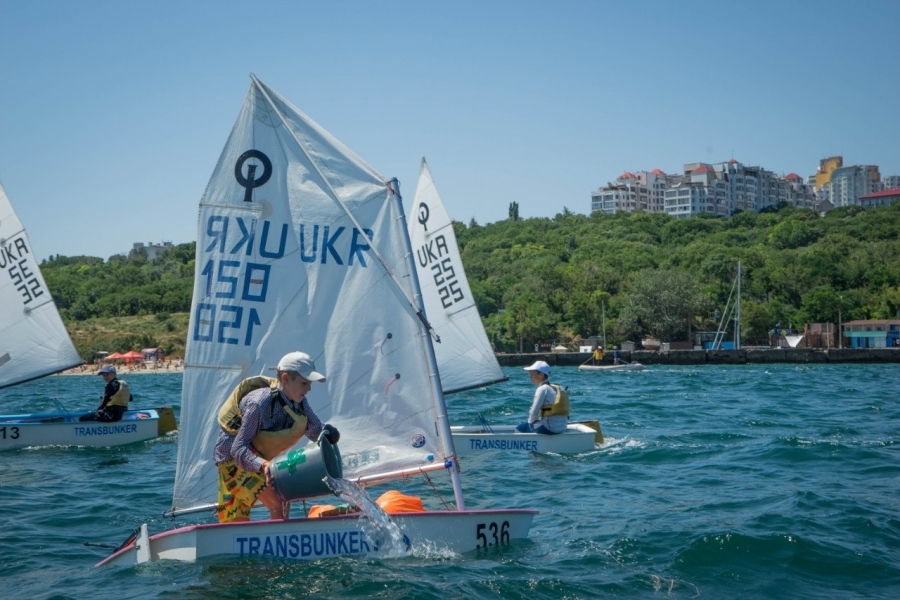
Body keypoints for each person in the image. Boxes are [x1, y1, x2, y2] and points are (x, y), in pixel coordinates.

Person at [213, 351, 340, 523]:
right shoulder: (259, 403)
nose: (309, 389)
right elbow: (238, 448)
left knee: (245, 517)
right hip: (232, 460)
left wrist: (329, 432)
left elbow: (314, 430)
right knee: (277, 501)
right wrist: (264, 465)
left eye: (309, 384)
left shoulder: (299, 402)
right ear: (286, 378)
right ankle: (278, 544)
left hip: (259, 461)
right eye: (304, 383)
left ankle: (275, 538)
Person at [515, 360, 569, 435]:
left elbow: (534, 412)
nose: (530, 377)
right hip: (562, 427)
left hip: (550, 428)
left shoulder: (542, 388)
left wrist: (530, 424)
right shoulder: (559, 387)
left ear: (541, 375)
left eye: (532, 374)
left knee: (520, 428)